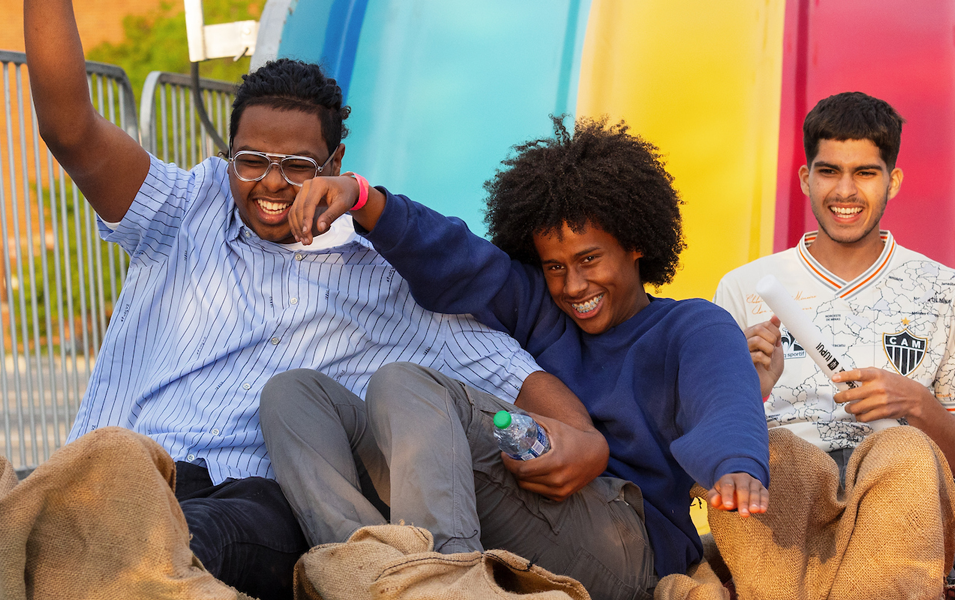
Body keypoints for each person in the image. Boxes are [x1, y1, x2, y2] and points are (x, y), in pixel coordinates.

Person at [22, 3, 589, 598]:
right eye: (250, 161)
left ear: (334, 164)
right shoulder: (186, 208)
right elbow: (68, 129)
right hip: (127, 476)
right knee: (3, 516)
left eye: (296, 167)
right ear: (228, 153)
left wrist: (583, 439)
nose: (270, 182)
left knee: (180, 544)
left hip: (251, 504)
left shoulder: (382, 278)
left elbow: (516, 378)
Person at [265, 117, 772, 600]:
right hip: (528, 506)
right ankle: (362, 574)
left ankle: (446, 587)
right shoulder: (543, 309)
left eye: (589, 259)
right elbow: (457, 258)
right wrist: (363, 199)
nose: (574, 286)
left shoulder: (689, 325)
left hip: (626, 544)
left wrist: (735, 463)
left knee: (401, 384)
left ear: (636, 244)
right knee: (293, 395)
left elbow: (724, 394)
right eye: (555, 267)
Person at [711, 91, 955, 592]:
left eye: (865, 172)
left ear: (893, 181)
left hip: (903, 509)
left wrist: (918, 404)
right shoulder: (743, 289)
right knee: (775, 457)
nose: (845, 191)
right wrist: (751, 391)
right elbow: (709, 447)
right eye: (829, 172)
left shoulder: (948, 291)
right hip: (792, 516)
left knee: (903, 452)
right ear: (806, 178)